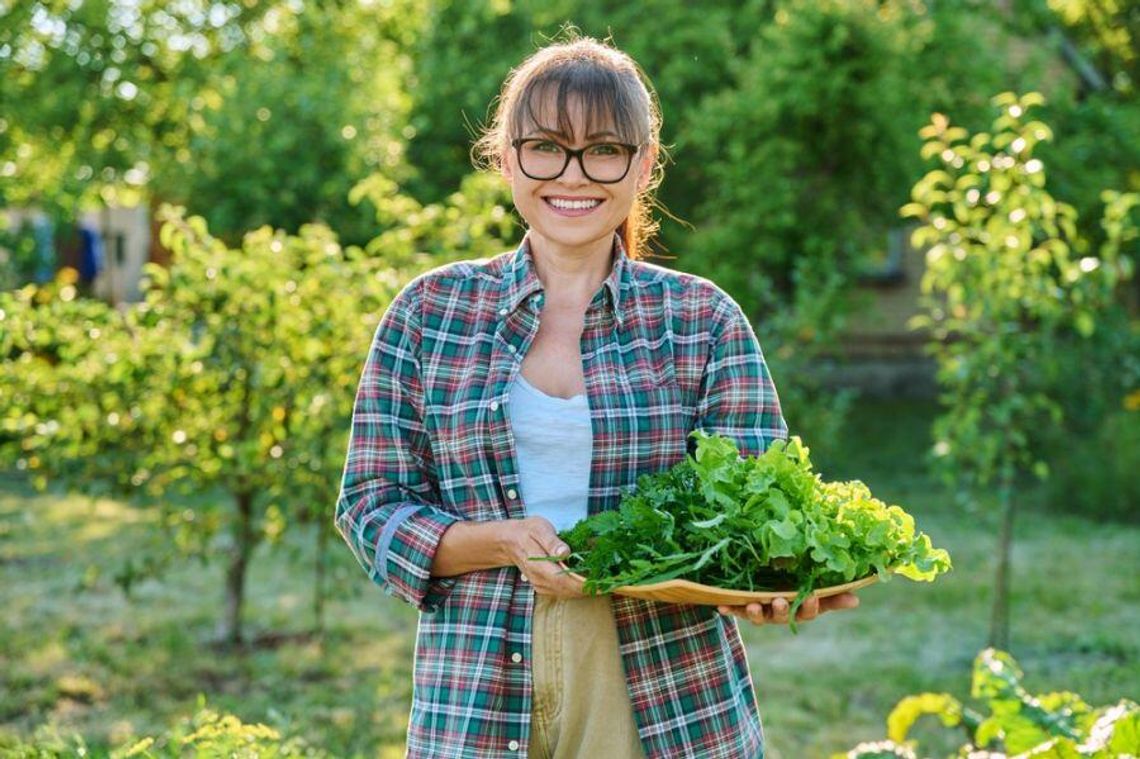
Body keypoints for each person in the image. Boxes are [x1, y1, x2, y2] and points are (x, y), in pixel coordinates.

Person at [334, 34, 859, 759]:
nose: (572, 174)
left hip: (663, 681)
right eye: (546, 146)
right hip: (477, 679)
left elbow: (757, 503)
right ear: (505, 156)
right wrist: (506, 541)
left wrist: (766, 583)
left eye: (604, 149)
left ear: (643, 165)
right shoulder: (430, 312)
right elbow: (370, 503)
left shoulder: (702, 321)